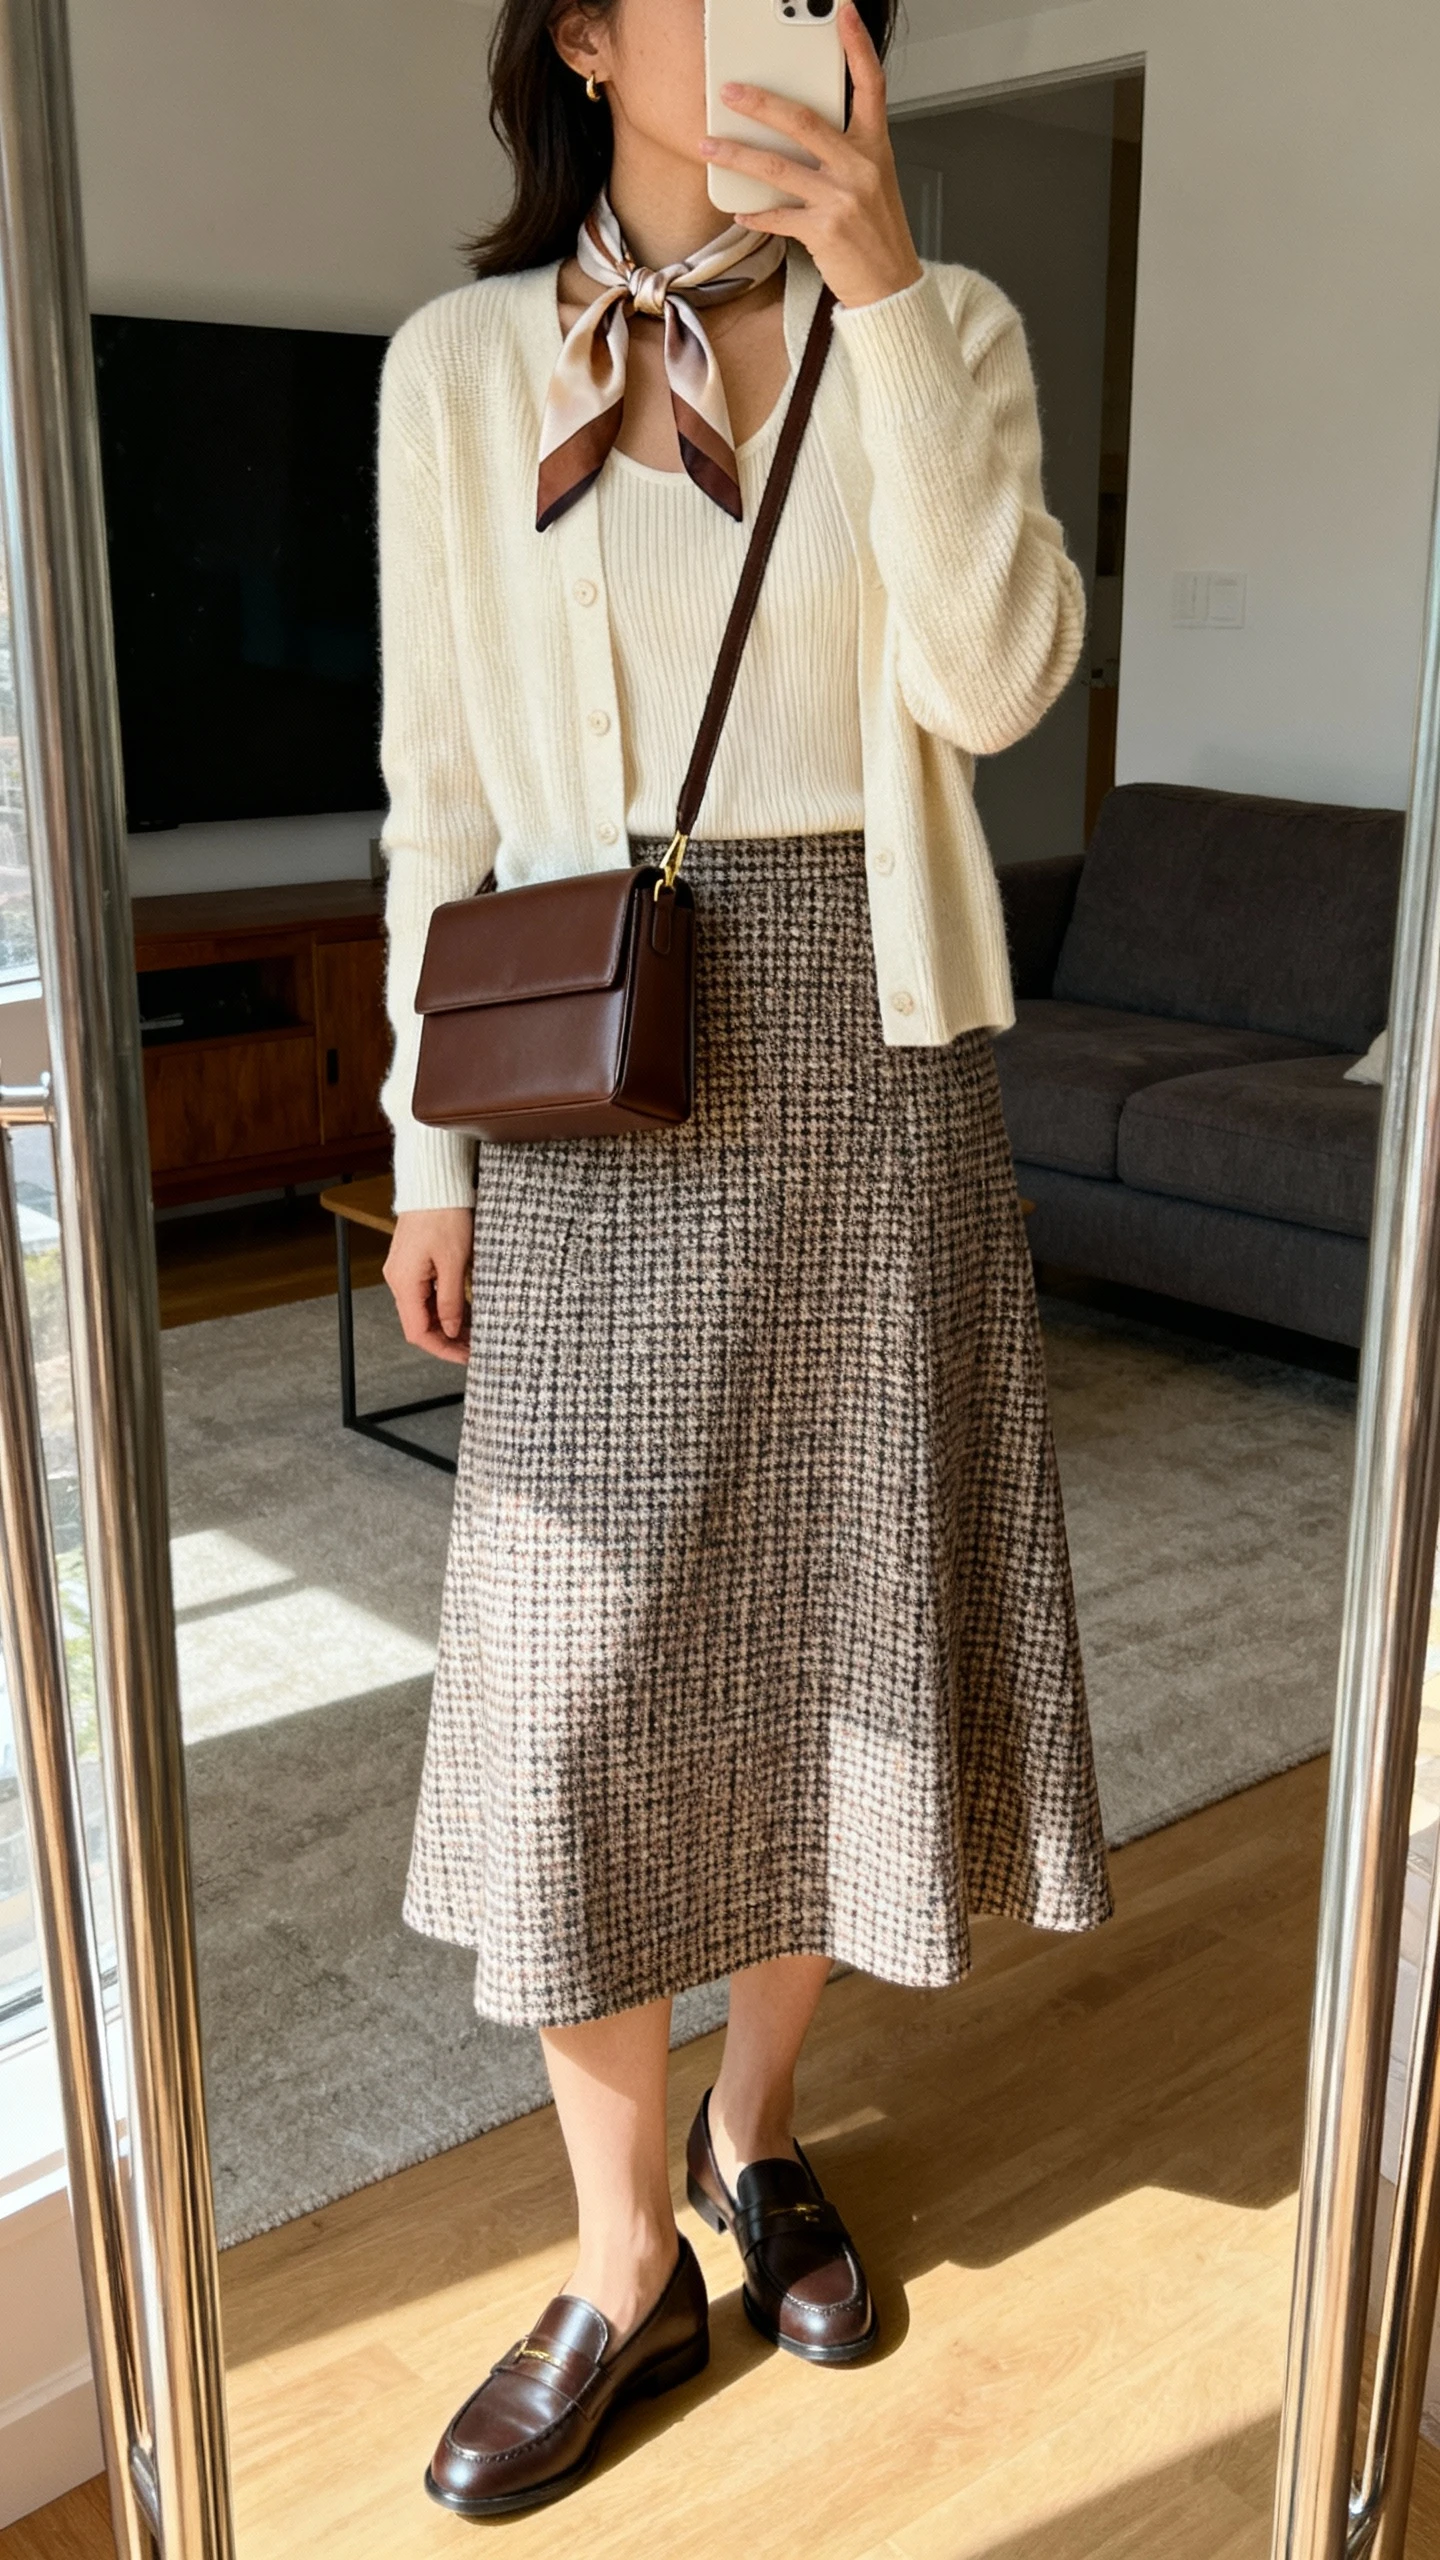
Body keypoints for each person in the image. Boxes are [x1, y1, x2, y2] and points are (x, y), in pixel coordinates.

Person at [377, 0, 1112, 2516]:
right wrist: (428, 1152)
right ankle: (616, 2266)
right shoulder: (464, 365)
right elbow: (435, 790)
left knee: (830, 1643)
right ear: (585, 33)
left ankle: (755, 2132)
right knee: (572, 1693)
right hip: (589, 1053)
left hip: (873, 1045)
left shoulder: (953, 317)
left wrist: (884, 287)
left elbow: (997, 681)